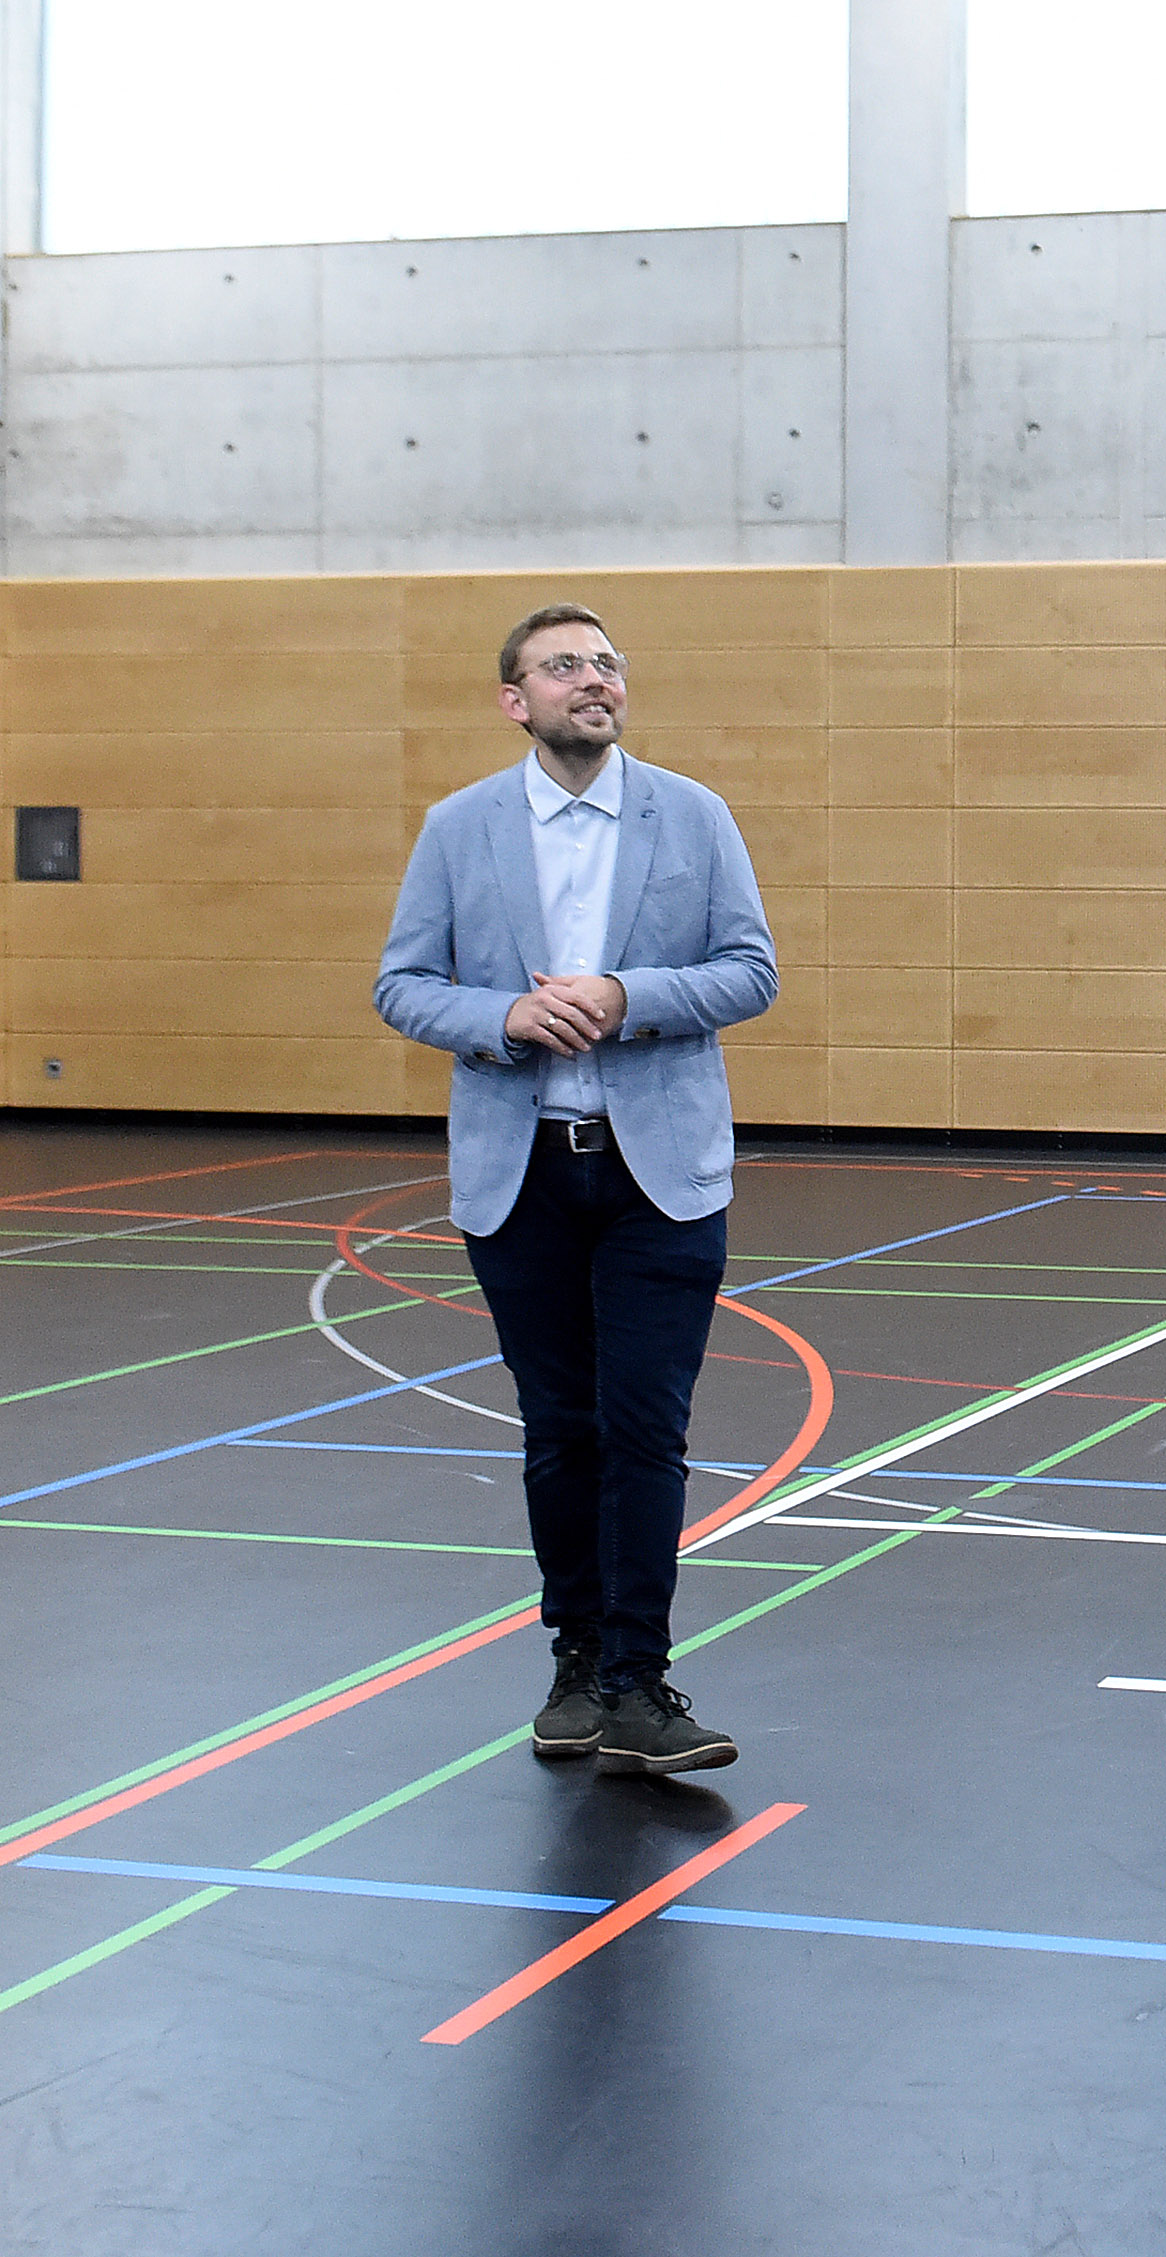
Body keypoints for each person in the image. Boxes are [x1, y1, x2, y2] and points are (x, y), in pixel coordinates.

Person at [376, 603, 779, 1777]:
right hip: (524, 1178)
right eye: (565, 666)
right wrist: (503, 1015)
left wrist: (626, 995)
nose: (594, 679)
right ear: (516, 700)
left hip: (662, 1181)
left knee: (646, 1430)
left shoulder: (693, 815)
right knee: (560, 1431)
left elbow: (751, 970)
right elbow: (403, 984)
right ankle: (576, 1659)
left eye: (607, 664)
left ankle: (638, 1680)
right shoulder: (459, 827)